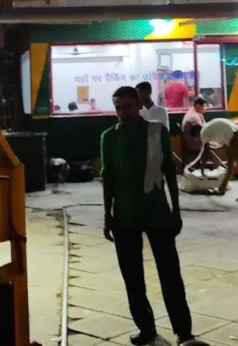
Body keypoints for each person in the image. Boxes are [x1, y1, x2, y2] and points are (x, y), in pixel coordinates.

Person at [101, 86, 196, 346]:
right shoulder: (109, 137)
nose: (122, 113)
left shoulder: (157, 131)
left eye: (127, 107)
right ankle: (146, 329)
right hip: (125, 215)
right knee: (132, 277)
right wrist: (107, 214)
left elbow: (168, 171)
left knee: (170, 274)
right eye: (118, 108)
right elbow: (107, 176)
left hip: (157, 212)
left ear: (139, 105)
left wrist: (176, 209)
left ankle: (183, 332)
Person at [199, 117, 238, 202]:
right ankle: (222, 188)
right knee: (230, 166)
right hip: (234, 135)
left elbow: (206, 152)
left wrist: (202, 167)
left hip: (235, 137)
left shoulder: (203, 134)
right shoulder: (207, 127)